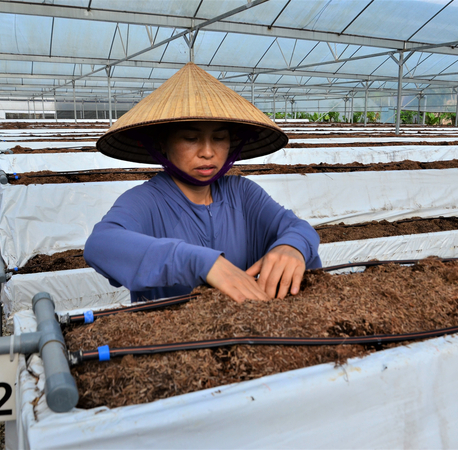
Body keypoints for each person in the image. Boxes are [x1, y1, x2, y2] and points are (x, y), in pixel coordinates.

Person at [85, 62, 321, 303]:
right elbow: (100, 244)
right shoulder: (146, 201)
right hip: (172, 336)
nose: (208, 152)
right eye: (190, 138)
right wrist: (201, 262)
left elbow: (297, 227)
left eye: (219, 138)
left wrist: (292, 247)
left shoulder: (242, 193)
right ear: (162, 144)